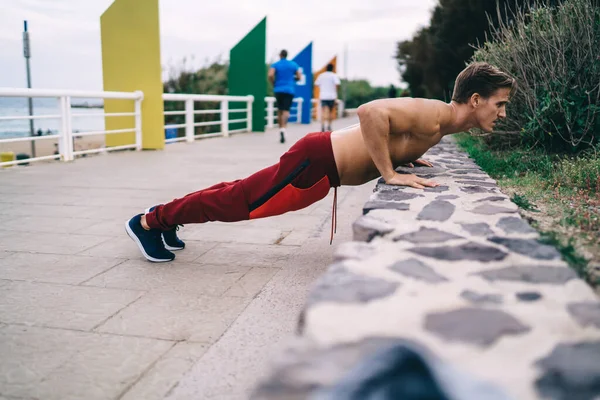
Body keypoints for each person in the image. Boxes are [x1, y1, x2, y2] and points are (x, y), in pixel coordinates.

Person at [126, 62, 515, 262]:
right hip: (315, 164)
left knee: (236, 194)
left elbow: (395, 134)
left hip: (320, 168)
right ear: (476, 99)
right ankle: (148, 222)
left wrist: (409, 158)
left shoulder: (440, 126)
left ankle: (166, 218)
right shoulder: (433, 114)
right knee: (238, 202)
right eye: (499, 104)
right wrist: (389, 174)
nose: (501, 114)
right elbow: (370, 113)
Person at [268, 49, 301, 144]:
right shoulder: (293, 65)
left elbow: (270, 75)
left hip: (278, 89)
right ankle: (284, 129)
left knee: (279, 110)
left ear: (280, 55)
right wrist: (293, 79)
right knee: (286, 110)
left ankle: (280, 129)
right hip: (289, 89)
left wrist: (274, 83)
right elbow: (299, 77)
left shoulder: (276, 64)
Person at [314, 63, 341, 132]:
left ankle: (322, 126)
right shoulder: (334, 75)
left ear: (326, 68)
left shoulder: (321, 76)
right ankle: (329, 126)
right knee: (331, 112)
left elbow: (316, 84)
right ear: (332, 69)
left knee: (323, 112)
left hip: (323, 96)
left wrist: (323, 87)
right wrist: (335, 91)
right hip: (332, 96)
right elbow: (337, 84)